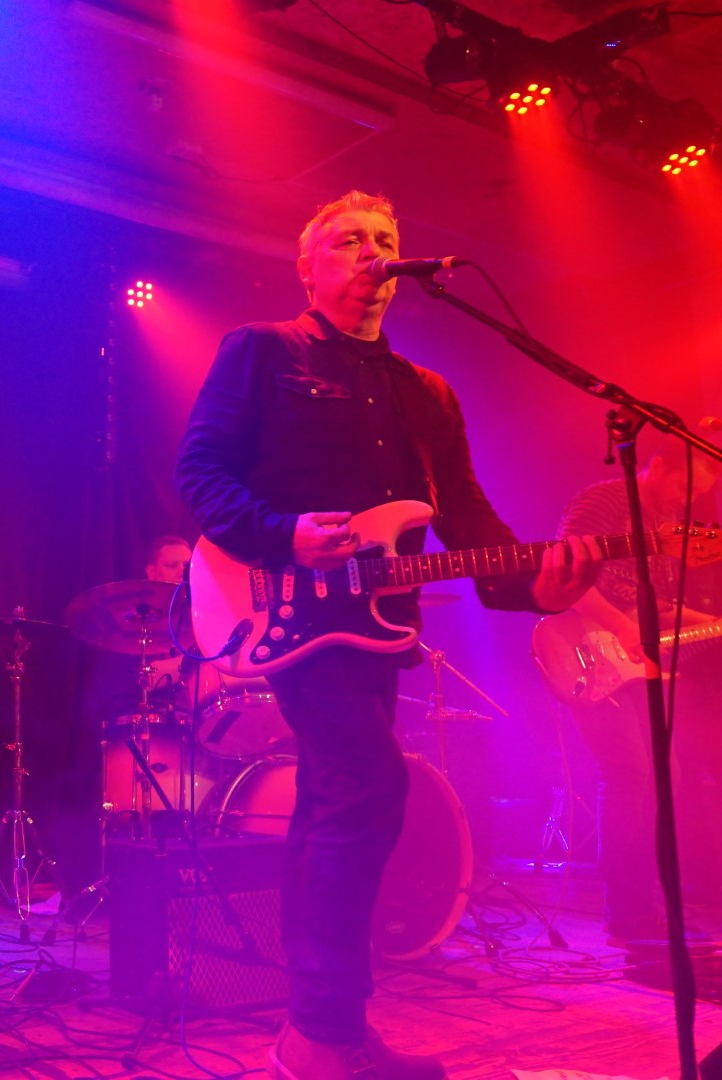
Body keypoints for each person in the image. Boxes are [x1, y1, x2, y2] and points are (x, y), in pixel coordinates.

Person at [175, 191, 602, 1080]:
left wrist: (536, 586)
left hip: (376, 624)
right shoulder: (261, 350)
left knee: (338, 800)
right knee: (367, 786)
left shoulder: (426, 392)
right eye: (349, 240)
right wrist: (281, 534)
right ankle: (322, 1035)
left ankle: (315, 1033)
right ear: (308, 267)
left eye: (385, 239)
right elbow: (200, 472)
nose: (372, 252)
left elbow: (468, 517)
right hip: (286, 608)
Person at [556, 434, 721, 944]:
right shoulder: (605, 501)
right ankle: (628, 916)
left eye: (699, 496)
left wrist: (714, 624)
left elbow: (659, 611)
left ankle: (644, 909)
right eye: (685, 488)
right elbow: (565, 576)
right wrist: (623, 629)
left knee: (664, 775)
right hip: (581, 649)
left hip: (631, 665)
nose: (687, 502)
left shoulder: (663, 533)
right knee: (629, 774)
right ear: (658, 466)